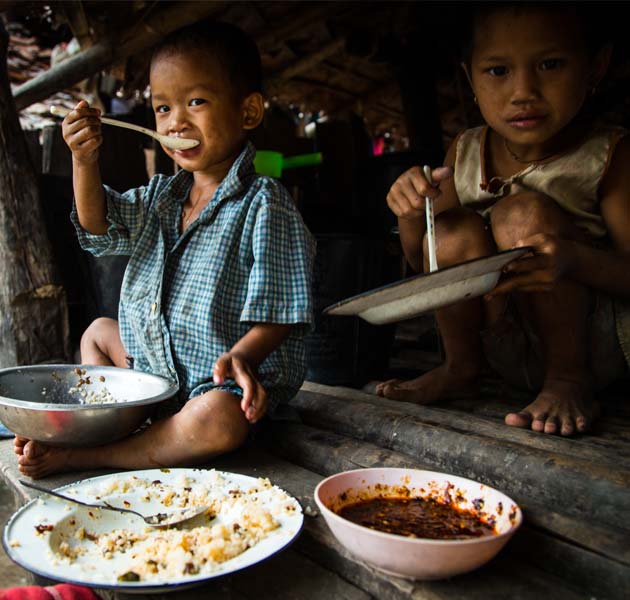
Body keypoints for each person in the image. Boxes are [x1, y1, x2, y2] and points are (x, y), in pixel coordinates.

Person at [15, 21, 314, 477]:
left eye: (195, 101)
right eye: (162, 107)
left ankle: (92, 455)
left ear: (248, 112)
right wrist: (83, 161)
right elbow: (98, 225)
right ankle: (109, 425)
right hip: (151, 373)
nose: (176, 121)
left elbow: (281, 307)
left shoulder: (265, 204)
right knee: (97, 332)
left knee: (218, 420)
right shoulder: (160, 198)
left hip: (218, 387)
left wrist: (243, 357)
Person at [376, 2, 630, 436]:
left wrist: (571, 258)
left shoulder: (608, 155)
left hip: (594, 348)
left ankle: (567, 379)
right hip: (503, 343)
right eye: (497, 71)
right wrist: (415, 216)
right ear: (469, 76)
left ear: (596, 67)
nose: (523, 91)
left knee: (521, 212)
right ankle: (460, 367)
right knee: (453, 227)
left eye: (550, 64)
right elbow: (429, 267)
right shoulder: (466, 150)